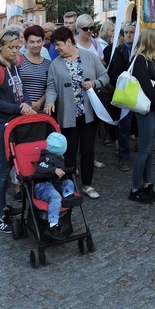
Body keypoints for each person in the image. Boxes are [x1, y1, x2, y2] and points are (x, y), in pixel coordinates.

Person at [45, 26, 108, 199]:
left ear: (69, 41)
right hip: (68, 115)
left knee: (88, 150)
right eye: (54, 46)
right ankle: (69, 185)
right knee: (69, 152)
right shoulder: (55, 64)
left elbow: (105, 76)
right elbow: (51, 87)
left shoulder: (89, 57)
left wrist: (95, 83)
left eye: (58, 45)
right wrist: (50, 100)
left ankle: (88, 185)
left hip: (88, 113)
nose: (56, 49)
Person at [0, 29, 36, 234]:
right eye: (11, 48)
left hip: (17, 124)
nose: (16, 51)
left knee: (12, 169)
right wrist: (18, 108)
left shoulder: (13, 66)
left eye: (17, 47)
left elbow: (22, 91)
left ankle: (3, 207)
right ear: (0, 47)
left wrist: (26, 103)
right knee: (1, 172)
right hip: (2, 125)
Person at [128, 28, 155, 204]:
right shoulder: (139, 60)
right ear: (149, 39)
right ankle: (135, 188)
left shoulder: (151, 60)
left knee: (149, 149)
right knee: (144, 150)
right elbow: (147, 88)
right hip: (146, 111)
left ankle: (147, 184)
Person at [33, 132, 81, 240]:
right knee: (55, 197)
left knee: (69, 182)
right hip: (43, 185)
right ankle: (53, 224)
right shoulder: (47, 157)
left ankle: (69, 197)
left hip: (55, 184)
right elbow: (41, 167)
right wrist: (54, 170)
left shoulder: (59, 158)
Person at [107, 22, 136, 171]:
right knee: (124, 126)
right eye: (126, 32)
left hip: (140, 93)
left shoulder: (139, 50)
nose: (129, 35)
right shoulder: (119, 50)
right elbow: (116, 73)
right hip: (126, 93)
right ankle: (123, 157)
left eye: (132, 32)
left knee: (138, 126)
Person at [19, 25, 51, 112]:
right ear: (26, 43)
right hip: (22, 109)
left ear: (43, 42)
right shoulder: (18, 60)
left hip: (41, 111)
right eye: (32, 42)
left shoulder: (48, 64)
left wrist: (39, 102)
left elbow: (50, 87)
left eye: (38, 41)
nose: (35, 45)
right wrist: (28, 103)